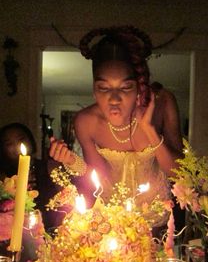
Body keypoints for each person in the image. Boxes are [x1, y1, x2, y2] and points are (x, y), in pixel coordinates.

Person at [49, 26, 183, 228]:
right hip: (112, 222)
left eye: (125, 87)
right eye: (103, 88)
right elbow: (98, 177)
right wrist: (71, 161)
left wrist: (149, 129)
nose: (114, 99)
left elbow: (179, 174)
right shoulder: (86, 121)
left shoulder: (162, 103)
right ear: (94, 91)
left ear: (139, 86)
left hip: (159, 220)